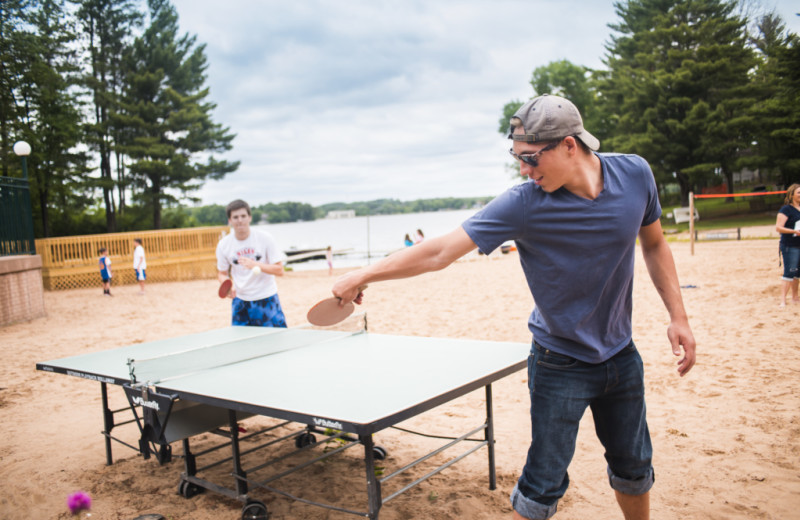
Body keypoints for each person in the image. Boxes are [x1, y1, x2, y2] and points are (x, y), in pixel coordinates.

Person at [332, 94, 696, 520]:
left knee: (634, 467)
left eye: (530, 158)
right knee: (542, 485)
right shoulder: (523, 203)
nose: (524, 169)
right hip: (559, 362)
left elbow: (653, 243)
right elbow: (440, 252)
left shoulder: (635, 174)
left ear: (569, 145)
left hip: (621, 355)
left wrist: (679, 317)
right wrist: (362, 275)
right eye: (517, 157)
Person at [216, 199, 288, 327]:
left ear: (249, 217)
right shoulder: (223, 245)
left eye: (243, 216)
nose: (240, 220)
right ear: (229, 221)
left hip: (267, 298)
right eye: (235, 217)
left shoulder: (265, 238)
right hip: (240, 301)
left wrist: (255, 265)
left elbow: (279, 270)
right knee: (243, 345)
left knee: (276, 342)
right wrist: (227, 285)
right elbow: (222, 273)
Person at [775, 183, 800, 307]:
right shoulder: (786, 209)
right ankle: (783, 300)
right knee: (789, 272)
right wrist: (794, 231)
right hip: (790, 245)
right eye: (799, 193)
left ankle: (795, 298)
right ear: (792, 195)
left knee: (797, 272)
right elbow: (778, 228)